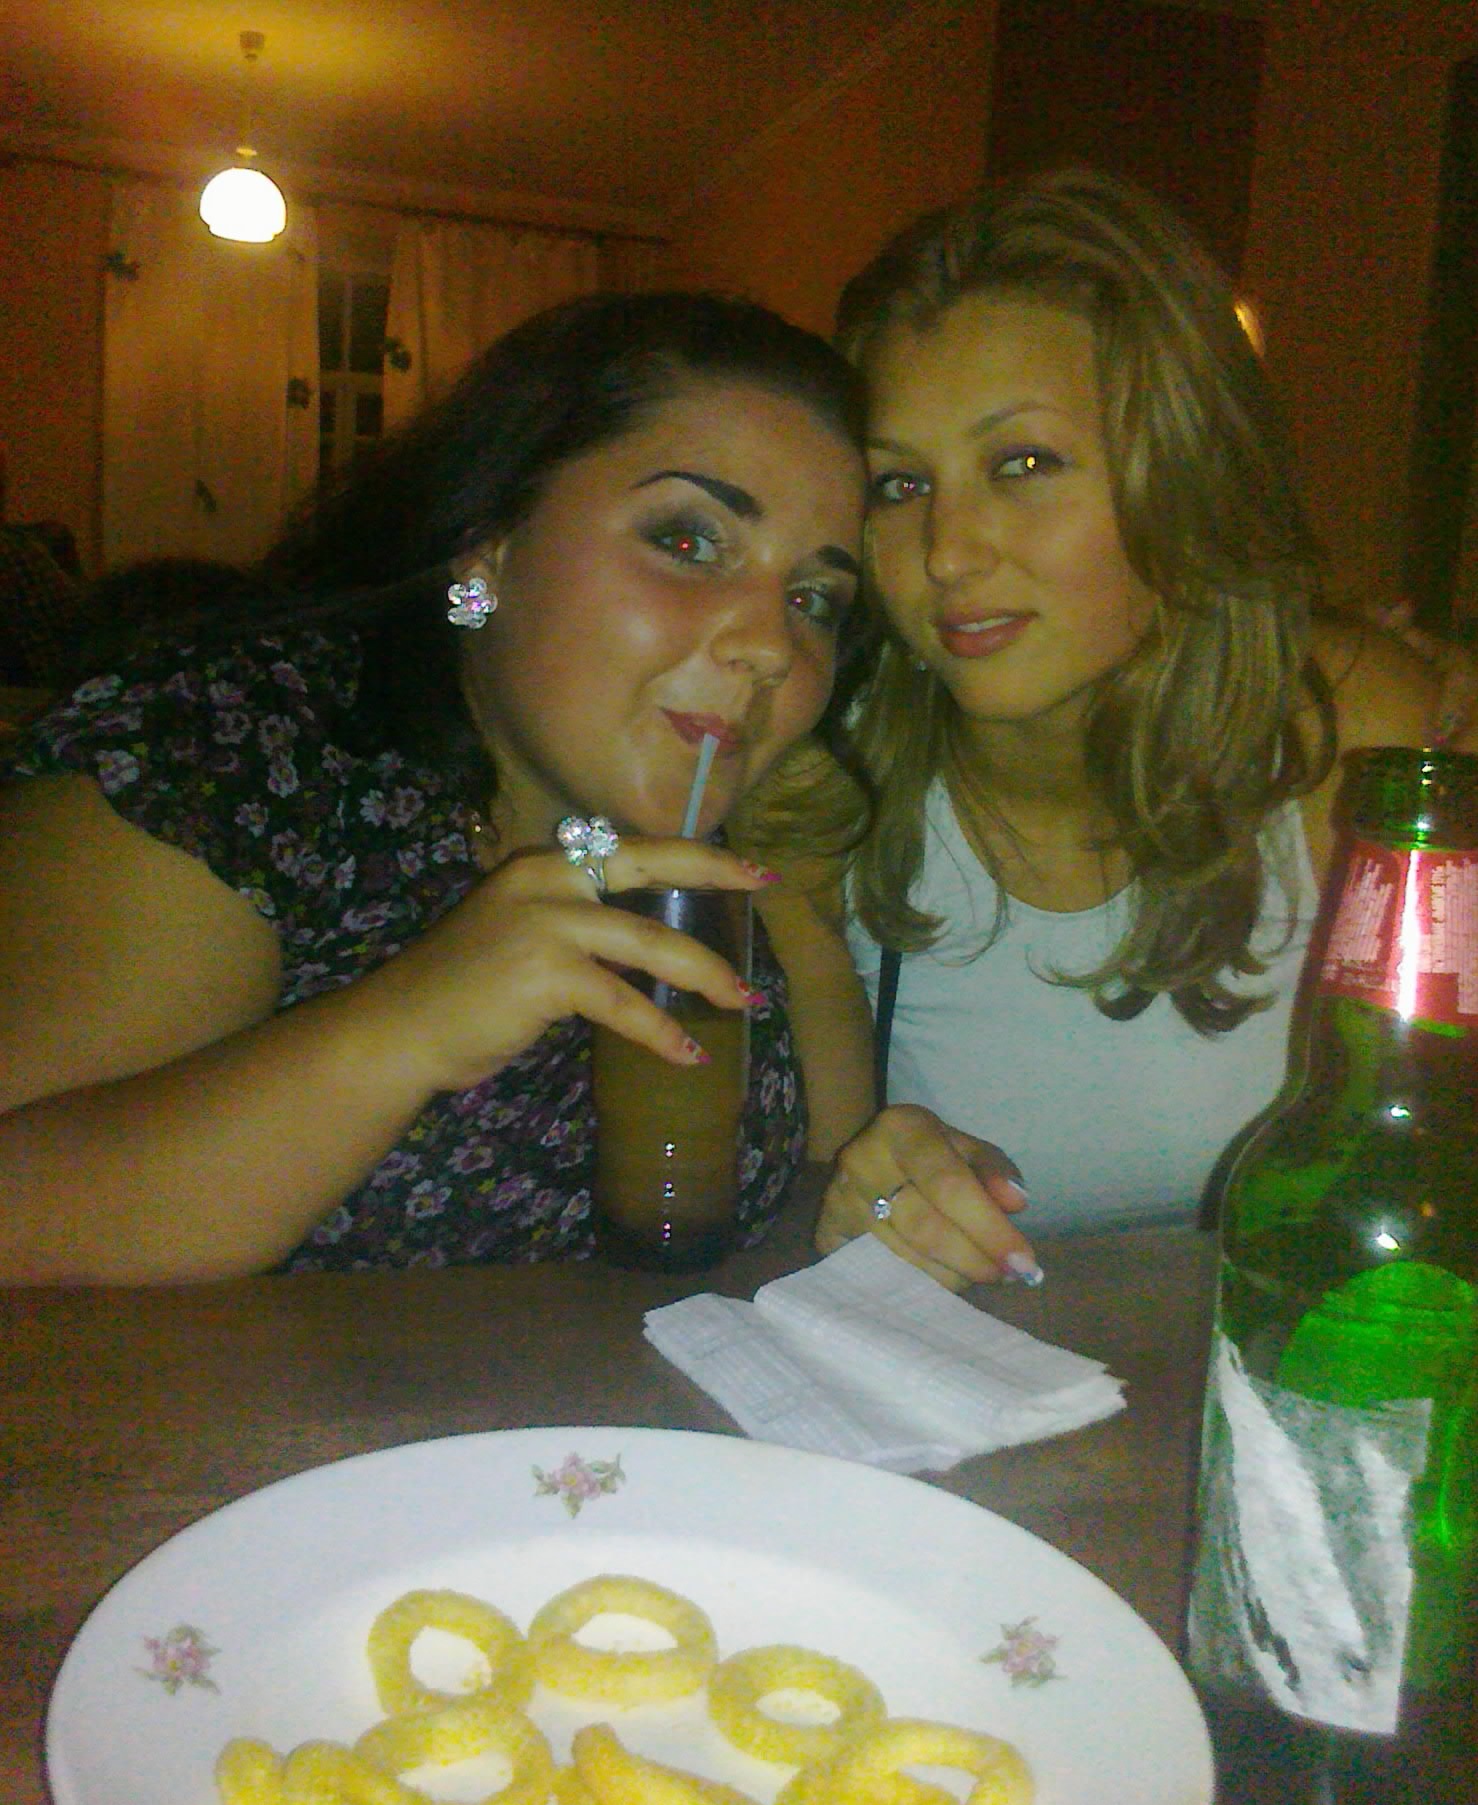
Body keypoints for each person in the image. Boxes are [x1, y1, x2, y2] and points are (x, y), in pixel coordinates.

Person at [0, 291, 877, 1284]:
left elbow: (817, 1198)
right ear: (490, 545)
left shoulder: (744, 855)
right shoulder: (227, 749)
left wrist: (890, 1189)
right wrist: (407, 1027)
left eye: (813, 598)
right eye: (689, 541)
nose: (771, 644)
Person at [796, 167, 1478, 1290]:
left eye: (1023, 464)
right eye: (898, 485)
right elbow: (796, 1202)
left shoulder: (1358, 736)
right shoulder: (821, 783)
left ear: (1181, 470)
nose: (948, 552)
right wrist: (862, 1196)